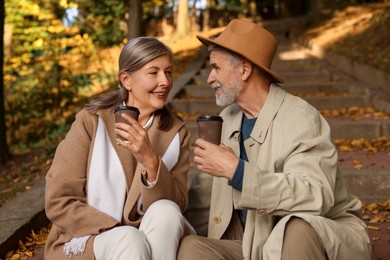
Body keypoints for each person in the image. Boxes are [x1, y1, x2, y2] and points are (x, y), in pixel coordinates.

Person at [177, 19, 372, 260]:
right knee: (192, 249)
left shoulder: (300, 118)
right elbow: (203, 200)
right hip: (253, 241)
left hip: (313, 236)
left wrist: (237, 172)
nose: (209, 78)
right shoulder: (226, 119)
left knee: (296, 228)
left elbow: (314, 194)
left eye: (216, 68)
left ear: (244, 70)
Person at [44, 37, 192, 259]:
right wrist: (118, 230)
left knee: (168, 212)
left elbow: (179, 203)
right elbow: (59, 200)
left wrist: (151, 161)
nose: (165, 81)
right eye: (154, 73)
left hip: (150, 236)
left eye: (168, 72)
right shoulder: (92, 122)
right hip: (88, 238)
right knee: (128, 240)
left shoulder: (176, 133)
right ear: (126, 79)